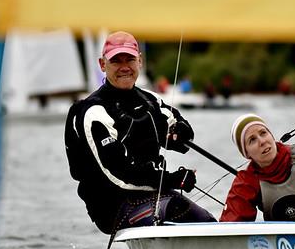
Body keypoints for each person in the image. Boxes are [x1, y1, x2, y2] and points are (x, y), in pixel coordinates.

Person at [64, 31, 216, 237]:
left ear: (140, 62)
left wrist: (180, 132)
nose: (124, 67)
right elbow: (118, 173)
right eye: (116, 61)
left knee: (208, 222)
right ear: (102, 65)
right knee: (177, 208)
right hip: (112, 205)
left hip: (153, 192)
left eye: (130, 59)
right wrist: (172, 180)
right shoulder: (93, 112)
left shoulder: (150, 100)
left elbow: (182, 135)